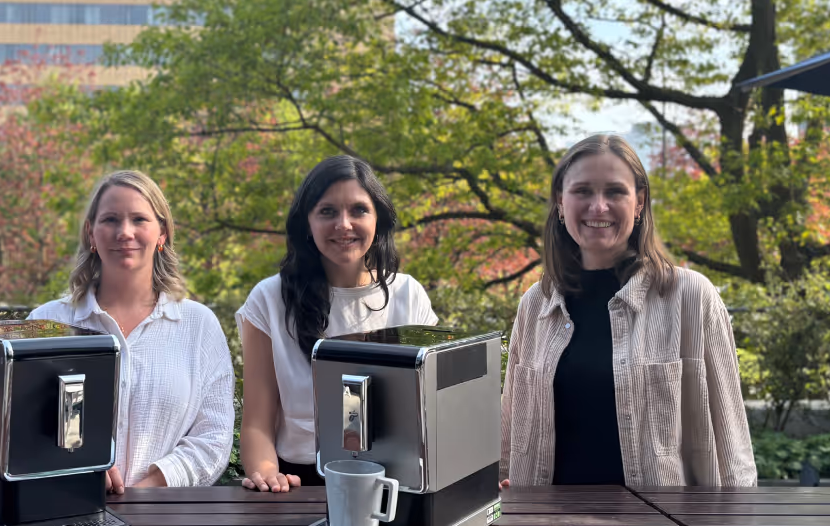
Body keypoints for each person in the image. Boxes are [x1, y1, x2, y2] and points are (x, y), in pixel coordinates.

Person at [500, 133, 755, 487]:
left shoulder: (691, 298)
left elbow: (732, 449)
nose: (598, 206)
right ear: (560, 202)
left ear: (639, 203)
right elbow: (509, 439)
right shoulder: (535, 304)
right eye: (583, 191)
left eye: (615, 192)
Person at [237, 155, 437, 493]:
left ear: (379, 220)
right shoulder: (269, 299)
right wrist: (268, 474)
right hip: (299, 482)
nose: (343, 225)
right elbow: (257, 421)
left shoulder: (409, 295)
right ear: (307, 223)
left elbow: (430, 415)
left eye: (359, 210)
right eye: (327, 211)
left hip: (397, 483)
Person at [29, 170, 234, 492]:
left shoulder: (199, 326)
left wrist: (149, 487)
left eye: (139, 219)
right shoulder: (47, 324)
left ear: (162, 233)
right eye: (110, 220)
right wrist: (76, 469)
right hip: (62, 509)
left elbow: (214, 436)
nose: (125, 232)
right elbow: (22, 428)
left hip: (168, 521)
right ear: (91, 234)